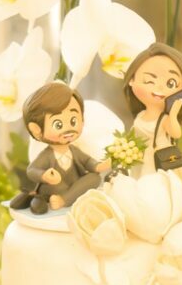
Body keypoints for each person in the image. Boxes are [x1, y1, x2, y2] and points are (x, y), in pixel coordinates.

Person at [10, 82, 110, 215]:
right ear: (36, 130)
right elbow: (32, 170)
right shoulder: (46, 155)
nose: (68, 129)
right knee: (56, 188)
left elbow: (87, 161)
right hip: (54, 188)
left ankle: (64, 199)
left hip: (74, 185)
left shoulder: (74, 151)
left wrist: (98, 166)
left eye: (73, 121)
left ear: (82, 120)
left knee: (95, 178)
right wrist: (45, 176)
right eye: (58, 124)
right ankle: (63, 198)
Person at [121, 44, 182, 174]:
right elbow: (133, 137)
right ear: (131, 80)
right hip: (139, 157)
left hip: (158, 159)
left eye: (171, 83)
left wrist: (173, 115)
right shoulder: (141, 115)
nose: (160, 87)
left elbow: (176, 133)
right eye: (149, 80)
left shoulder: (164, 119)